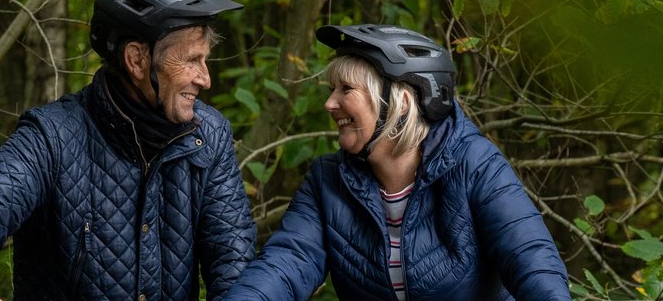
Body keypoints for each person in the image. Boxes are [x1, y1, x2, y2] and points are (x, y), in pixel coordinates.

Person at [0, 0, 256, 300]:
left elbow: (234, 264)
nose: (205, 79)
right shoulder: (53, 135)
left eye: (205, 60)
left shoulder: (210, 136)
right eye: (192, 60)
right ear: (136, 59)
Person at [226, 24, 571, 300]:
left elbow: (532, 262)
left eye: (346, 89)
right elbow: (286, 265)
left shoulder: (474, 163)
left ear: (401, 103)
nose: (330, 104)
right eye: (332, 90)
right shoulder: (326, 182)